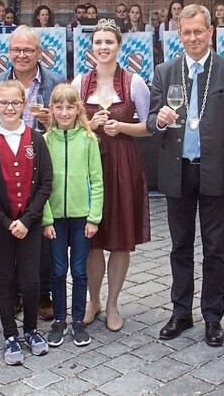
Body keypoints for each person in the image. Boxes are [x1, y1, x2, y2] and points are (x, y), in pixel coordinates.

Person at [147, 4, 224, 347]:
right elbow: (150, 121)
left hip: (216, 172)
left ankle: (213, 316)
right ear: (179, 35)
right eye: (186, 32)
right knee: (179, 246)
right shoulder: (164, 71)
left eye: (198, 31)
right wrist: (158, 121)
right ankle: (180, 312)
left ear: (210, 32)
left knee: (214, 248)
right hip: (177, 171)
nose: (192, 38)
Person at [71, 19, 152, 332]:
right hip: (89, 167)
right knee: (92, 239)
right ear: (91, 48)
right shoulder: (80, 83)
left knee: (119, 241)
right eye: (98, 42)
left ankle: (114, 302)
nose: (103, 47)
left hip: (122, 165)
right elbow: (68, 124)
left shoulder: (134, 83)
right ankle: (93, 300)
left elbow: (149, 126)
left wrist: (122, 128)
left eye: (109, 42)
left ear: (119, 46)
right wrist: (88, 127)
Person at [0, 26, 67, 320]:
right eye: (16, 50)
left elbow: (71, 120)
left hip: (42, 166)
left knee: (41, 233)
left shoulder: (55, 82)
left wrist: (52, 122)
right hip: (5, 167)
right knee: (9, 232)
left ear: (39, 53)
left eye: (28, 50)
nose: (21, 55)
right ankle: (15, 294)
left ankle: (42, 294)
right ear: (8, 53)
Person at [0, 80, 53, 366]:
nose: (9, 108)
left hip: (29, 225)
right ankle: (10, 334)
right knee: (5, 278)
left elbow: (45, 183)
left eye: (15, 103)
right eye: (4, 103)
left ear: (23, 105)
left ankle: (31, 330)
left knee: (31, 279)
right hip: (1, 224)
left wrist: (29, 219)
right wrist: (6, 222)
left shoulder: (36, 138)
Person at [42, 84, 104, 347]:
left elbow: (97, 180)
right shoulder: (44, 141)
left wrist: (94, 217)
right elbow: (40, 184)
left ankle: (78, 320)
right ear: (51, 111)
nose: (64, 113)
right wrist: (45, 219)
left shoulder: (88, 140)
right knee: (58, 270)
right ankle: (59, 320)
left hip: (82, 217)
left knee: (79, 271)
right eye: (59, 107)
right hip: (54, 217)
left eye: (70, 107)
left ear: (78, 109)